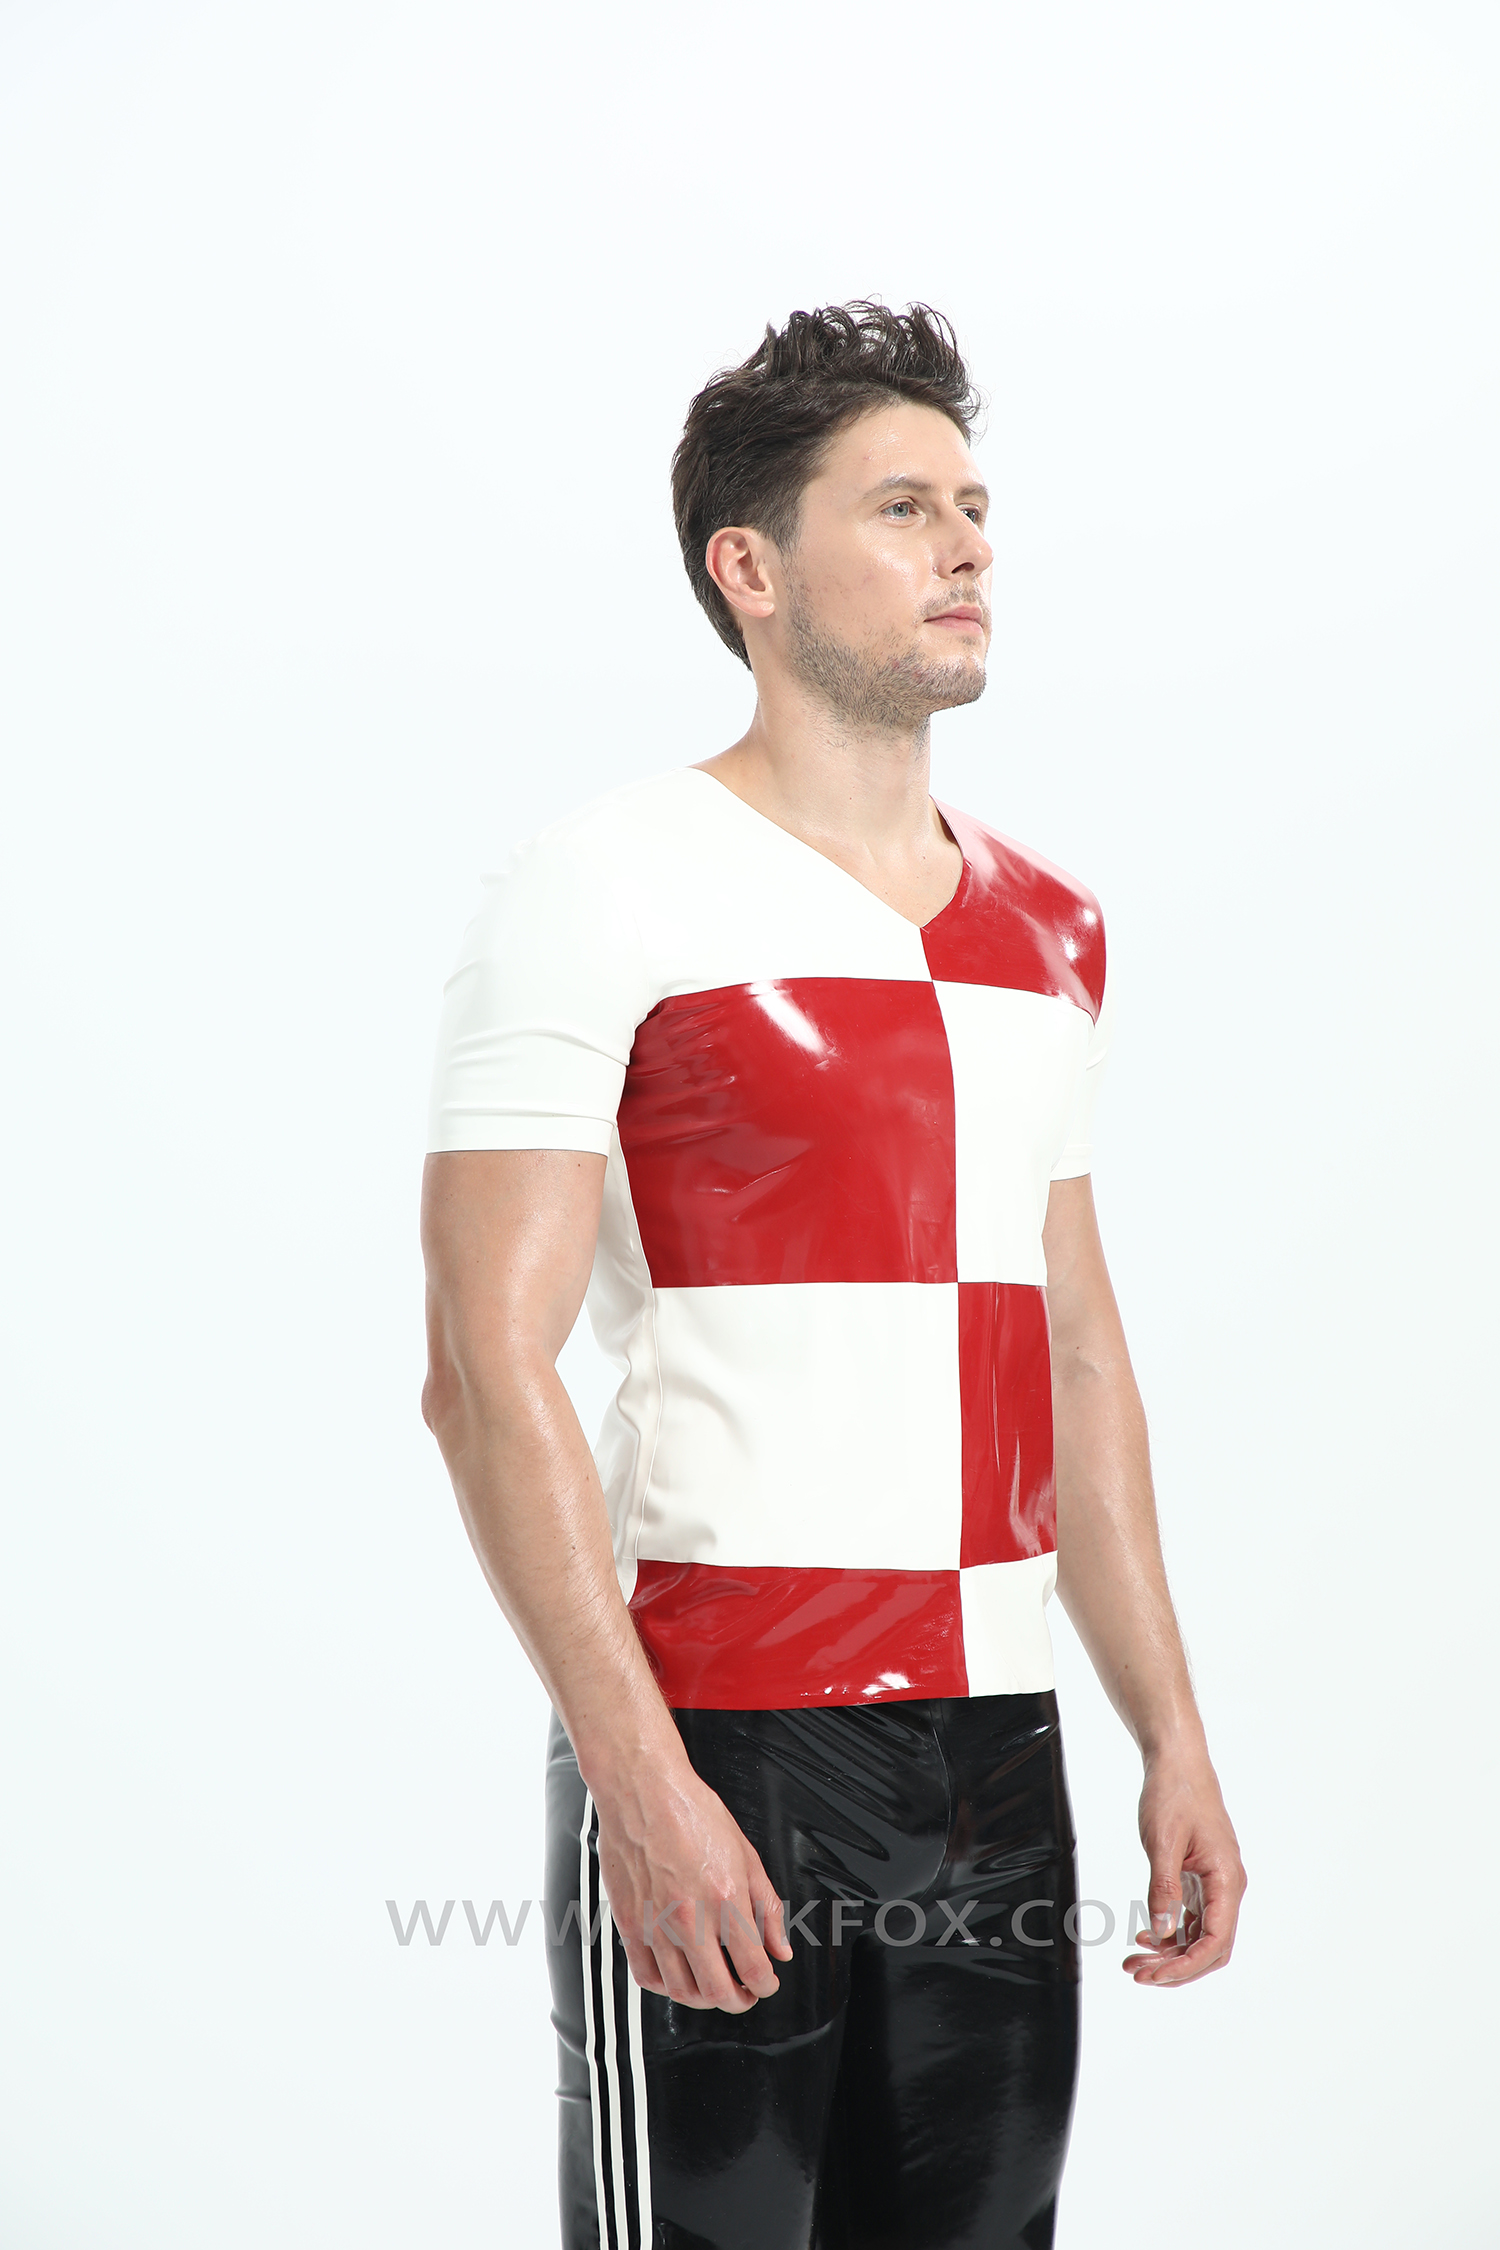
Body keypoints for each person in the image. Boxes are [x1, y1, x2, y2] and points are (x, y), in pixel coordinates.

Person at [420, 301, 1246, 2250]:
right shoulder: (606, 880)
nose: (966, 545)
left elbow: (1076, 1351)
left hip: (997, 1751)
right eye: (902, 507)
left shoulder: (1052, 926)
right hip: (729, 1728)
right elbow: (483, 1368)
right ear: (752, 568)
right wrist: (638, 1783)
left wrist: (1172, 1730)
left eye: (974, 506)